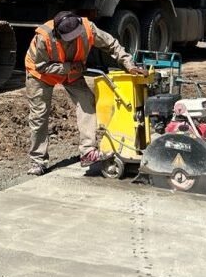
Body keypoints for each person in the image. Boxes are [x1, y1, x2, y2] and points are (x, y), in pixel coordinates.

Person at [24, 10, 145, 176]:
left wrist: (129, 64)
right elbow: (41, 66)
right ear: (58, 34)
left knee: (87, 102)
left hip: (71, 73)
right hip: (40, 75)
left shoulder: (88, 29)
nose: (74, 39)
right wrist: (70, 67)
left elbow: (112, 44)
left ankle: (87, 152)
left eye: (76, 35)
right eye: (69, 38)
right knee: (39, 116)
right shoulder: (43, 38)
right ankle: (38, 161)